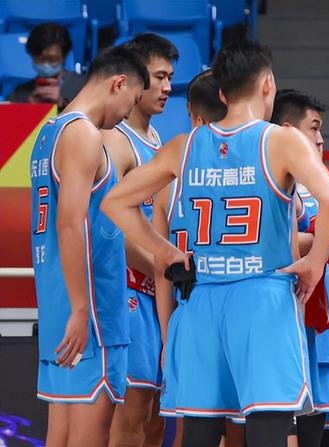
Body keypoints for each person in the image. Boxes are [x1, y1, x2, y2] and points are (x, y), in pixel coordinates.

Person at [100, 41, 329, 447]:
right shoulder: (281, 141)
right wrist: (316, 261)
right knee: (267, 429)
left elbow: (114, 202)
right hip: (263, 298)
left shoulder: (184, 146)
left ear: (223, 93)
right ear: (267, 85)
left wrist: (164, 252)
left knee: (199, 432)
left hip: (201, 302)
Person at [29, 45, 148, 447]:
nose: (125, 116)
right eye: (131, 102)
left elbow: (86, 226)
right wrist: (82, 308)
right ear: (119, 84)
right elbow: (70, 223)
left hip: (59, 308)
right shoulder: (84, 134)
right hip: (92, 314)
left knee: (60, 437)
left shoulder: (49, 132)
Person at [100, 33, 178, 447]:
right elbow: (109, 224)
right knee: (131, 416)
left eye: (171, 78)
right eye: (159, 77)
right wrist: (163, 268)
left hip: (157, 291)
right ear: (134, 77)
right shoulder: (116, 140)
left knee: (156, 421)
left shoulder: (157, 141)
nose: (167, 87)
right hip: (130, 292)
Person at [271, 89, 329, 447]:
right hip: (279, 327)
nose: (321, 139)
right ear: (288, 130)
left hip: (318, 333)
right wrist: (319, 240)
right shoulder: (271, 184)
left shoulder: (326, 189)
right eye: (314, 128)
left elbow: (328, 268)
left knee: (315, 437)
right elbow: (281, 247)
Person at [153, 70, 228, 447]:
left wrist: (168, 337)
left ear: (193, 116)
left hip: (190, 312)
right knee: (248, 427)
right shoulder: (259, 165)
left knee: (191, 429)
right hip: (245, 305)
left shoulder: (168, 179)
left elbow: (160, 267)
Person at [8, 22, 84, 109]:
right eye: (40, 59)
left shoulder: (83, 87)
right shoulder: (20, 93)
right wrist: (28, 108)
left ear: (64, 56)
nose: (46, 64)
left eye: (52, 59)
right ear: (32, 56)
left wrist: (62, 104)